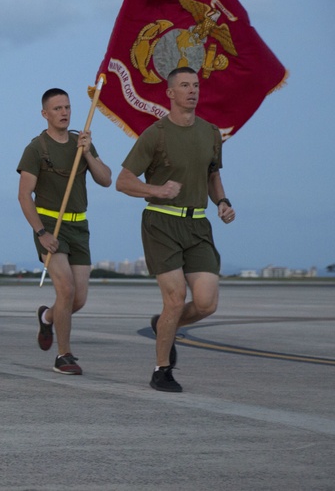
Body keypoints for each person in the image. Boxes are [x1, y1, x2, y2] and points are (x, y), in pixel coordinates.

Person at [116, 67, 236, 393]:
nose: (192, 91)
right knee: (175, 297)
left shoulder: (211, 133)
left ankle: (162, 326)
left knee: (207, 302)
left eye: (195, 85)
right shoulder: (156, 134)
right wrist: (156, 191)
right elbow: (123, 181)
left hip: (198, 223)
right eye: (184, 85)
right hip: (161, 222)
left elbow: (212, 176)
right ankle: (162, 370)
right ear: (170, 92)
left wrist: (222, 202)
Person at [17, 88, 112, 375]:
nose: (64, 112)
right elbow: (24, 196)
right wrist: (41, 232)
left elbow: (106, 179)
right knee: (66, 289)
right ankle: (64, 355)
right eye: (57, 108)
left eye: (67, 107)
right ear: (45, 114)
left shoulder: (79, 142)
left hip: (78, 226)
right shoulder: (36, 148)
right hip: (50, 226)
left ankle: (47, 317)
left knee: (78, 299)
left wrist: (88, 152)